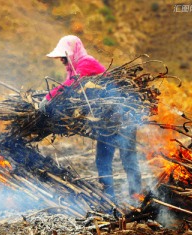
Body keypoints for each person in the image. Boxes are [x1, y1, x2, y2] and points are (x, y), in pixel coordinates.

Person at [42, 35, 142, 200]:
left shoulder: (86, 63)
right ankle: (109, 198)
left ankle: (137, 196)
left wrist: (48, 98)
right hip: (105, 121)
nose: (61, 59)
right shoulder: (74, 69)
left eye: (64, 56)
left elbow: (72, 85)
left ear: (73, 52)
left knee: (128, 158)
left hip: (122, 117)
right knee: (102, 160)